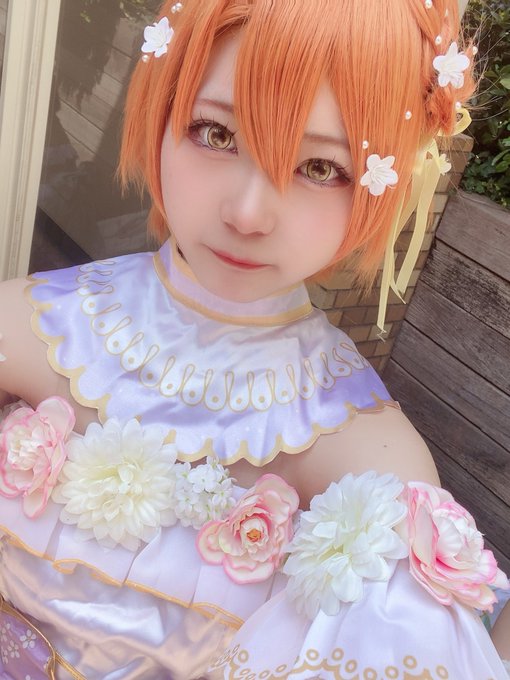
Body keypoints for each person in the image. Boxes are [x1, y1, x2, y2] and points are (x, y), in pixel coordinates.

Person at [0, 0, 508, 677]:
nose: (247, 213)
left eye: (320, 168)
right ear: (160, 113)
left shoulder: (366, 453)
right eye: (215, 133)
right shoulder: (27, 326)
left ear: (382, 184)